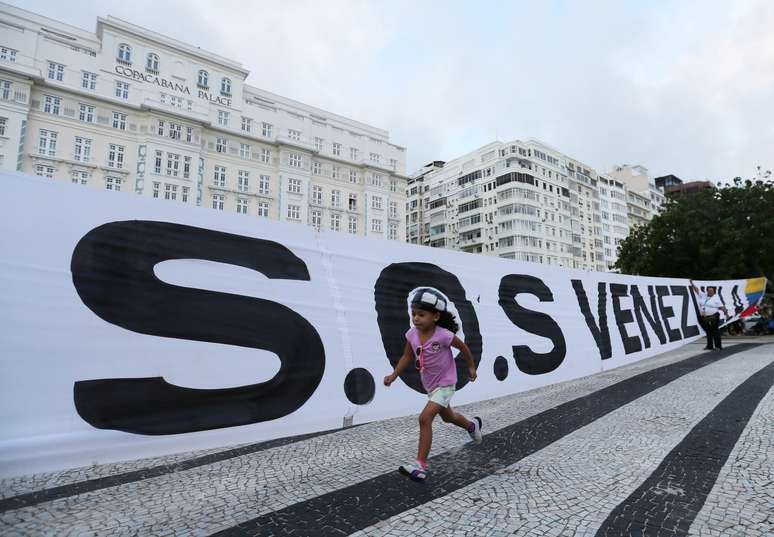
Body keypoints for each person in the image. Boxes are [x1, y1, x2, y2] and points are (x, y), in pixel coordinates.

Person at [384, 288, 482, 481]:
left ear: (436, 316)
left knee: (424, 418)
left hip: (446, 384)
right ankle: (472, 426)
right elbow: (406, 356)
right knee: (448, 417)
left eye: (421, 314)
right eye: (413, 314)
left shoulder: (443, 335)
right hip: (431, 386)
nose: (416, 318)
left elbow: (463, 347)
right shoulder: (411, 335)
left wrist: (471, 367)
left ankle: (420, 465)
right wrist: (394, 374)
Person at [690, 280, 729, 350]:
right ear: (707, 291)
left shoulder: (716, 298)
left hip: (713, 316)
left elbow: (722, 307)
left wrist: (726, 314)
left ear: (714, 291)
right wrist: (692, 284)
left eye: (711, 291)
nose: (710, 292)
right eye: (708, 290)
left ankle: (718, 346)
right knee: (708, 331)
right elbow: (697, 290)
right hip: (704, 317)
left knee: (715, 331)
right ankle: (709, 346)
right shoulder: (704, 295)